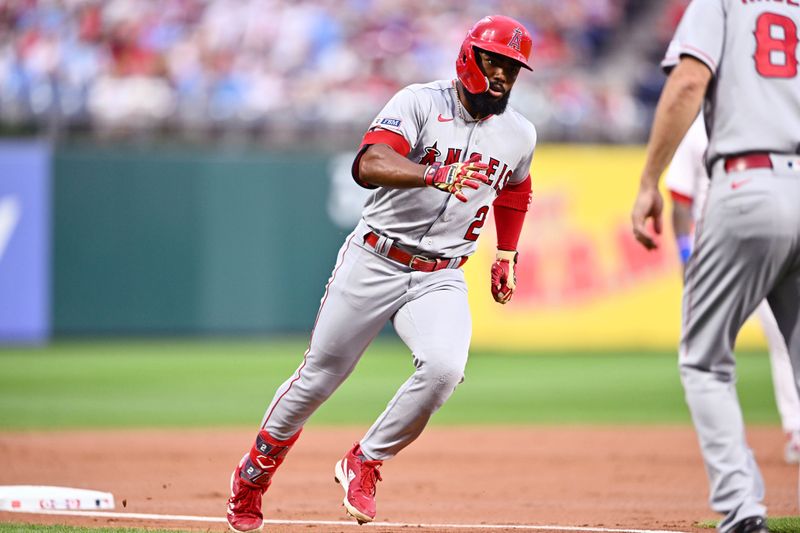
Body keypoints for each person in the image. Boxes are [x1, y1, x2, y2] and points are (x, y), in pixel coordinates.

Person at [225, 15, 537, 533]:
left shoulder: (519, 132)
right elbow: (368, 163)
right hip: (375, 257)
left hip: (441, 272)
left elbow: (516, 187)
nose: (504, 75)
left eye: (513, 66)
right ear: (469, 58)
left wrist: (506, 253)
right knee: (320, 377)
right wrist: (433, 174)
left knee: (443, 368)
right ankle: (254, 473)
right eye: (495, 61)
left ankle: (364, 461)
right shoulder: (417, 102)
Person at [631, 0, 800, 532]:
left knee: (704, 360)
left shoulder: (720, 2)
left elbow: (687, 83)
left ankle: (741, 510)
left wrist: (646, 182)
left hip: (750, 179)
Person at [666, 114, 800, 465]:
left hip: (765, 240)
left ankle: (795, 430)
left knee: (781, 337)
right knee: (705, 349)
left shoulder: (766, 120)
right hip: (714, 249)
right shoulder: (695, 131)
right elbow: (679, 199)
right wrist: (685, 254)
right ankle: (727, 448)